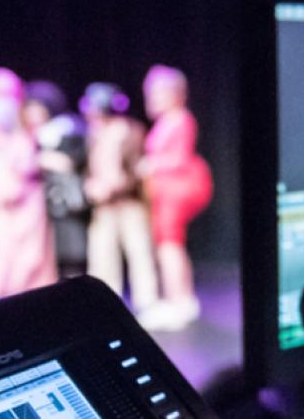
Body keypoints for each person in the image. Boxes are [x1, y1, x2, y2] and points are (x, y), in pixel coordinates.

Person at [0, 68, 56, 301]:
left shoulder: (20, 135)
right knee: (2, 260)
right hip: (5, 209)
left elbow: (26, 163)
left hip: (28, 207)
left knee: (30, 259)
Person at [138, 65, 213, 331]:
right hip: (167, 187)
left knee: (169, 243)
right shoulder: (167, 121)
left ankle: (178, 301)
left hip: (179, 186)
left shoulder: (180, 119)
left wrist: (151, 165)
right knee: (168, 242)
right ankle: (178, 298)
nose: (152, 98)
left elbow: (178, 158)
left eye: (158, 92)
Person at [80, 82, 158, 312]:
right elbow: (89, 166)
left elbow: (140, 169)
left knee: (139, 250)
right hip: (103, 205)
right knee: (101, 253)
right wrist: (91, 186)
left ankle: (147, 301)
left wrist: (118, 185)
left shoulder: (130, 131)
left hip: (129, 203)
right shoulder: (94, 133)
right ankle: (104, 303)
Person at [23, 80, 90, 279]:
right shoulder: (32, 137)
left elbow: (72, 161)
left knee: (72, 258)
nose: (31, 114)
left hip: (68, 205)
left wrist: (46, 160)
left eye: (36, 108)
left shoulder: (66, 129)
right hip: (47, 208)